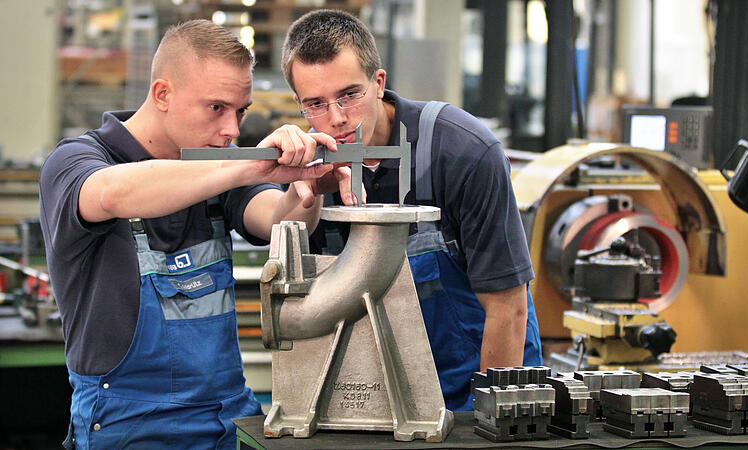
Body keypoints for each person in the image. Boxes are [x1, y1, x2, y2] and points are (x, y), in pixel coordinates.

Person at [39, 20, 355, 448]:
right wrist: (248, 165)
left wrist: (308, 185)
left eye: (240, 111)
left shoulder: (217, 160)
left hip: (227, 416)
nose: (232, 130)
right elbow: (111, 194)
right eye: (216, 108)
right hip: (130, 427)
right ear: (162, 94)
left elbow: (278, 222)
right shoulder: (77, 160)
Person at [280, 9, 542, 411]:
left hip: (476, 391)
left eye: (350, 94)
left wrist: (488, 422)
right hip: (375, 398)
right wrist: (306, 192)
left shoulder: (462, 151)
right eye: (316, 103)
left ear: (378, 82)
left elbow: (507, 307)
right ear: (299, 104)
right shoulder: (309, 170)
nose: (337, 118)